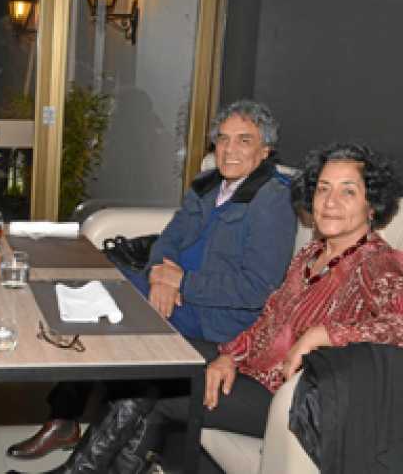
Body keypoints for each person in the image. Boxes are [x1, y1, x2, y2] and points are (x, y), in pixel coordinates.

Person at [44, 143, 403, 473]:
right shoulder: (312, 254)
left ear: (372, 205)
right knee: (153, 360)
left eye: (348, 191)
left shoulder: (377, 263)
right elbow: (269, 320)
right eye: (323, 188)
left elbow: (398, 324)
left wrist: (324, 333)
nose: (330, 201)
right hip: (252, 370)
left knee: (158, 391)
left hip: (287, 398)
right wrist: (230, 356)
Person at [7, 100, 298, 460]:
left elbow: (257, 289)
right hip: (173, 292)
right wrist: (160, 275)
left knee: (105, 316)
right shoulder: (208, 184)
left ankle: (78, 440)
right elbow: (169, 239)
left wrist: (182, 282)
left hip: (215, 317)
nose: (229, 149)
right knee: (92, 288)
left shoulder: (273, 200)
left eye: (244, 140)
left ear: (265, 150)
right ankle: (64, 418)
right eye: (223, 139)